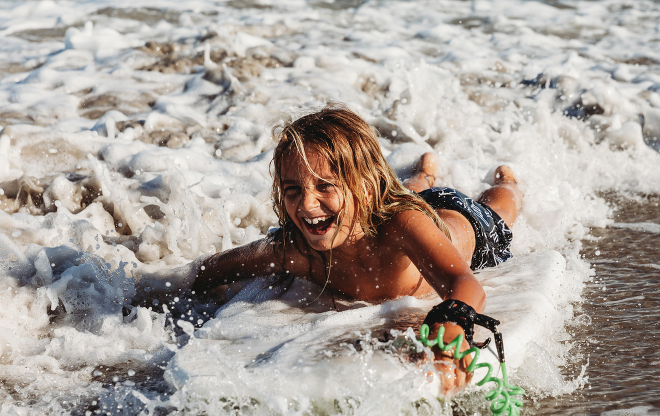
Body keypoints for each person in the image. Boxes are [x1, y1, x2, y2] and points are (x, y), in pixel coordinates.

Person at [187, 104, 522, 394]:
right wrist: (159, 291)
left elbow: (464, 282)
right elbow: (211, 270)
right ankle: (422, 175)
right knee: (411, 191)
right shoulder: (295, 251)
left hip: (467, 224)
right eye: (292, 190)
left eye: (323, 186)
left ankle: (507, 183)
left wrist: (450, 324)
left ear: (364, 188)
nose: (306, 204)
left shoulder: (401, 226)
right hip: (400, 201)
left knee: (501, 208)